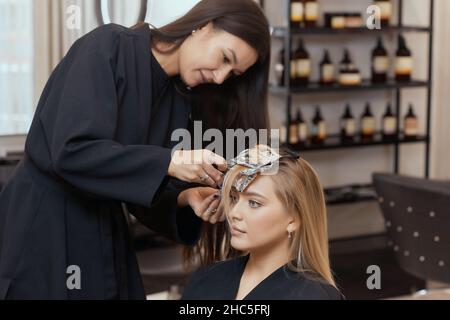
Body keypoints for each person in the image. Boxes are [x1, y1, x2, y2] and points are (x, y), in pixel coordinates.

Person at [0, 0, 270, 299]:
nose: (220, 77)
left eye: (232, 73)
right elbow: (72, 151)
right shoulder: (108, 46)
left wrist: (186, 197)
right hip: (44, 228)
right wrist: (171, 161)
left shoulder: (178, 99)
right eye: (224, 58)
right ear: (203, 26)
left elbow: (139, 189)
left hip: (105, 232)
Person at [182, 145, 344, 300]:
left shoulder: (314, 296)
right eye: (233, 198)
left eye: (254, 203)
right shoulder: (206, 278)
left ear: (294, 220)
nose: (234, 213)